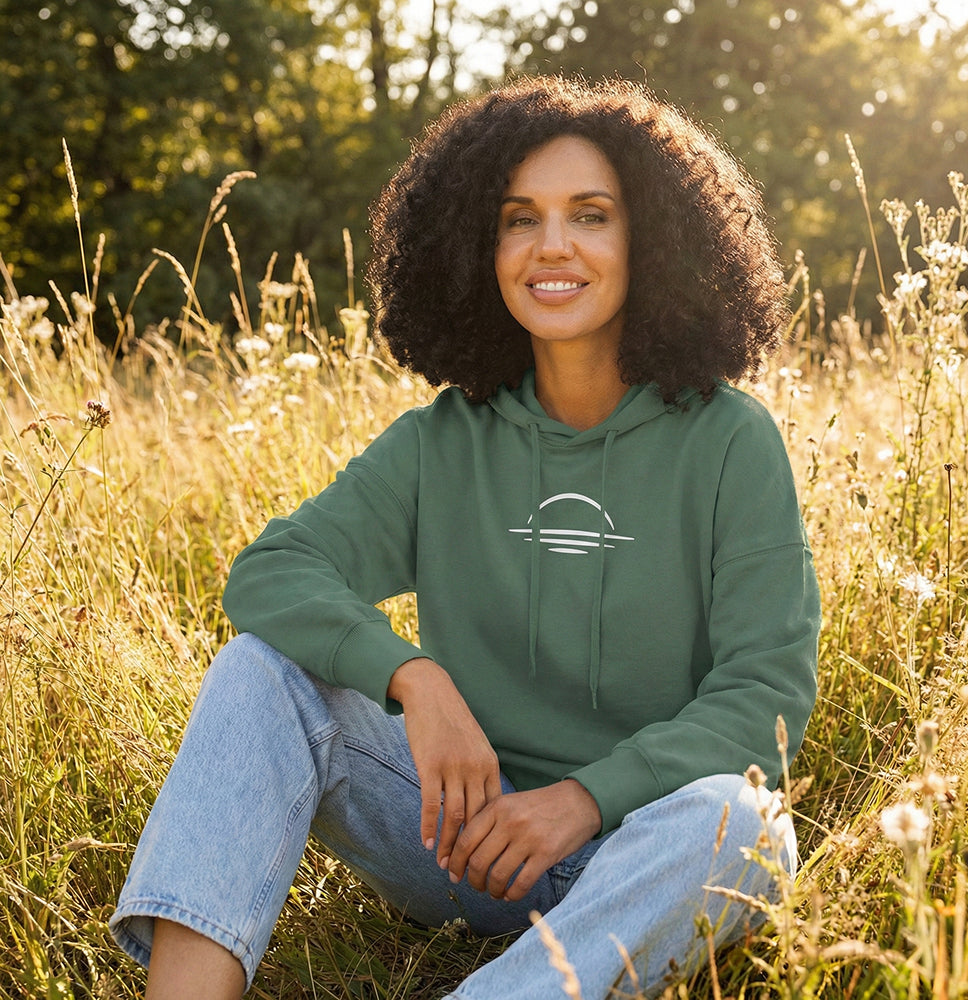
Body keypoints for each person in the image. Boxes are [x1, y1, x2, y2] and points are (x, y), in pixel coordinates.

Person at [110, 75, 821, 999]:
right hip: (461, 843)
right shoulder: (443, 441)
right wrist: (416, 679)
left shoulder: (730, 440)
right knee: (259, 672)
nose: (551, 246)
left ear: (652, 240)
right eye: (518, 219)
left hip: (642, 853)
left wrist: (584, 801)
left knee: (748, 820)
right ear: (478, 248)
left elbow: (764, 693)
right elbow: (273, 571)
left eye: (591, 215)